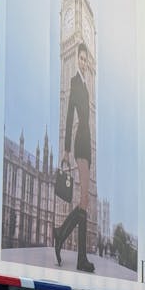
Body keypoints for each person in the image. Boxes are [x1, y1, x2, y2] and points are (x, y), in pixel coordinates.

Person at [55, 42, 95, 273]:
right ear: (76, 59)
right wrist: (67, 150)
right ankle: (80, 257)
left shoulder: (85, 83)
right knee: (84, 200)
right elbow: (70, 116)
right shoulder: (75, 82)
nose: (83, 61)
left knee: (85, 199)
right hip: (80, 140)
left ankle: (61, 234)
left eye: (85, 59)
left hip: (87, 142)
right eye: (80, 58)